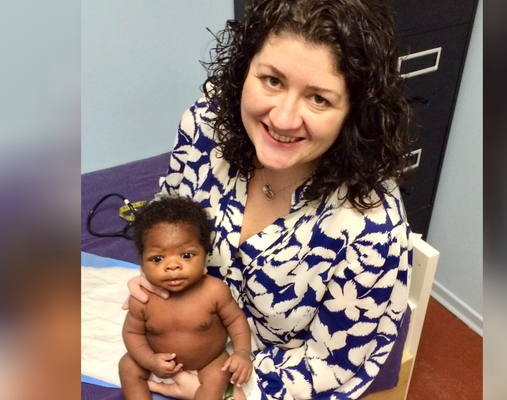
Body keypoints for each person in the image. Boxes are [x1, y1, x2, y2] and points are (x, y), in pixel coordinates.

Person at [127, 0, 413, 399]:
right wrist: (155, 274)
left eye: (319, 99)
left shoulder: (371, 227)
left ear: (354, 112)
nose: (281, 119)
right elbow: (170, 206)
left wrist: (224, 387)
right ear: (246, 68)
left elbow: (332, 363)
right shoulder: (206, 126)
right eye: (272, 80)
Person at [119, 196, 253, 400]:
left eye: (187, 255)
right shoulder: (142, 298)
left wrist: (242, 353)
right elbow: (132, 333)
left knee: (219, 372)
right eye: (157, 259)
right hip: (157, 361)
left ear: (205, 254)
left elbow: (236, 320)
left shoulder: (214, 291)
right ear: (142, 263)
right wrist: (150, 360)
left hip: (208, 361)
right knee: (128, 365)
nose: (172, 266)